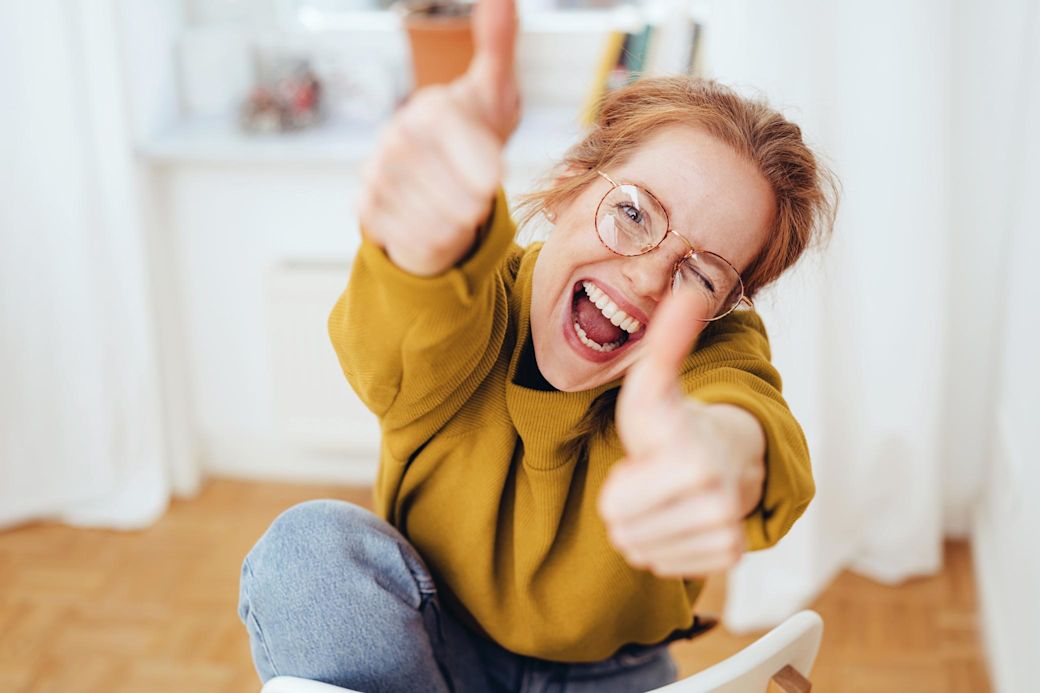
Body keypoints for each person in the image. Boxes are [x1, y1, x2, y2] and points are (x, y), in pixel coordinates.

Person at [237, 0, 837, 690]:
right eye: (634, 212)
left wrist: (719, 451)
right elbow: (407, 320)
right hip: (433, 645)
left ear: (727, 304)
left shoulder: (710, 351)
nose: (646, 276)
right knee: (304, 549)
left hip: (614, 674)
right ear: (569, 183)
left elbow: (749, 417)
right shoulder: (474, 299)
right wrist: (418, 248)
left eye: (700, 274)